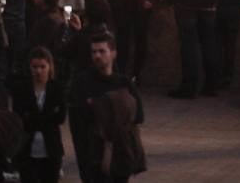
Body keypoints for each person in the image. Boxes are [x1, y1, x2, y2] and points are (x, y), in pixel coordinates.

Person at [69, 31, 145, 183]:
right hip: (93, 155)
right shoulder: (82, 83)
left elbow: (138, 116)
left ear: (113, 53)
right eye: (94, 51)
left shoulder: (123, 83)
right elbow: (77, 122)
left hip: (120, 153)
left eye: (102, 51)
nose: (97, 55)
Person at [12, 47, 65, 183]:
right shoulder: (21, 89)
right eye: (35, 67)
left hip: (51, 149)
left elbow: (60, 117)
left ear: (49, 66)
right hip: (27, 149)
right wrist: (47, 118)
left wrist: (33, 117)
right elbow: (19, 118)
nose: (38, 71)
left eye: (42, 66)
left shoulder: (57, 88)